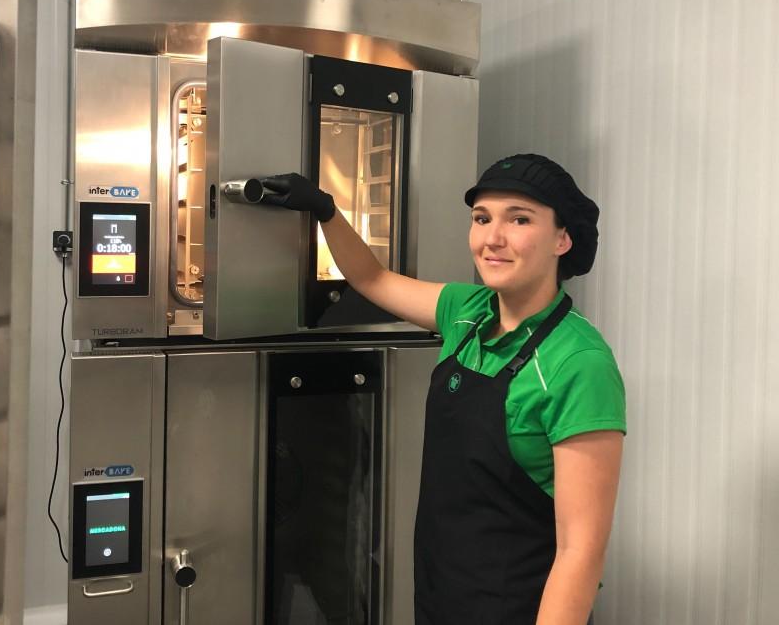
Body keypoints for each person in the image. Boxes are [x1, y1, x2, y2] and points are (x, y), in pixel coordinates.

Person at [259, 153, 626, 625]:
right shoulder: (466, 312)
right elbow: (372, 277)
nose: (492, 238)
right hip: (442, 596)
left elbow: (580, 551)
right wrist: (326, 210)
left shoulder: (579, 363)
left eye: (519, 219)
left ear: (563, 238)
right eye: (482, 218)